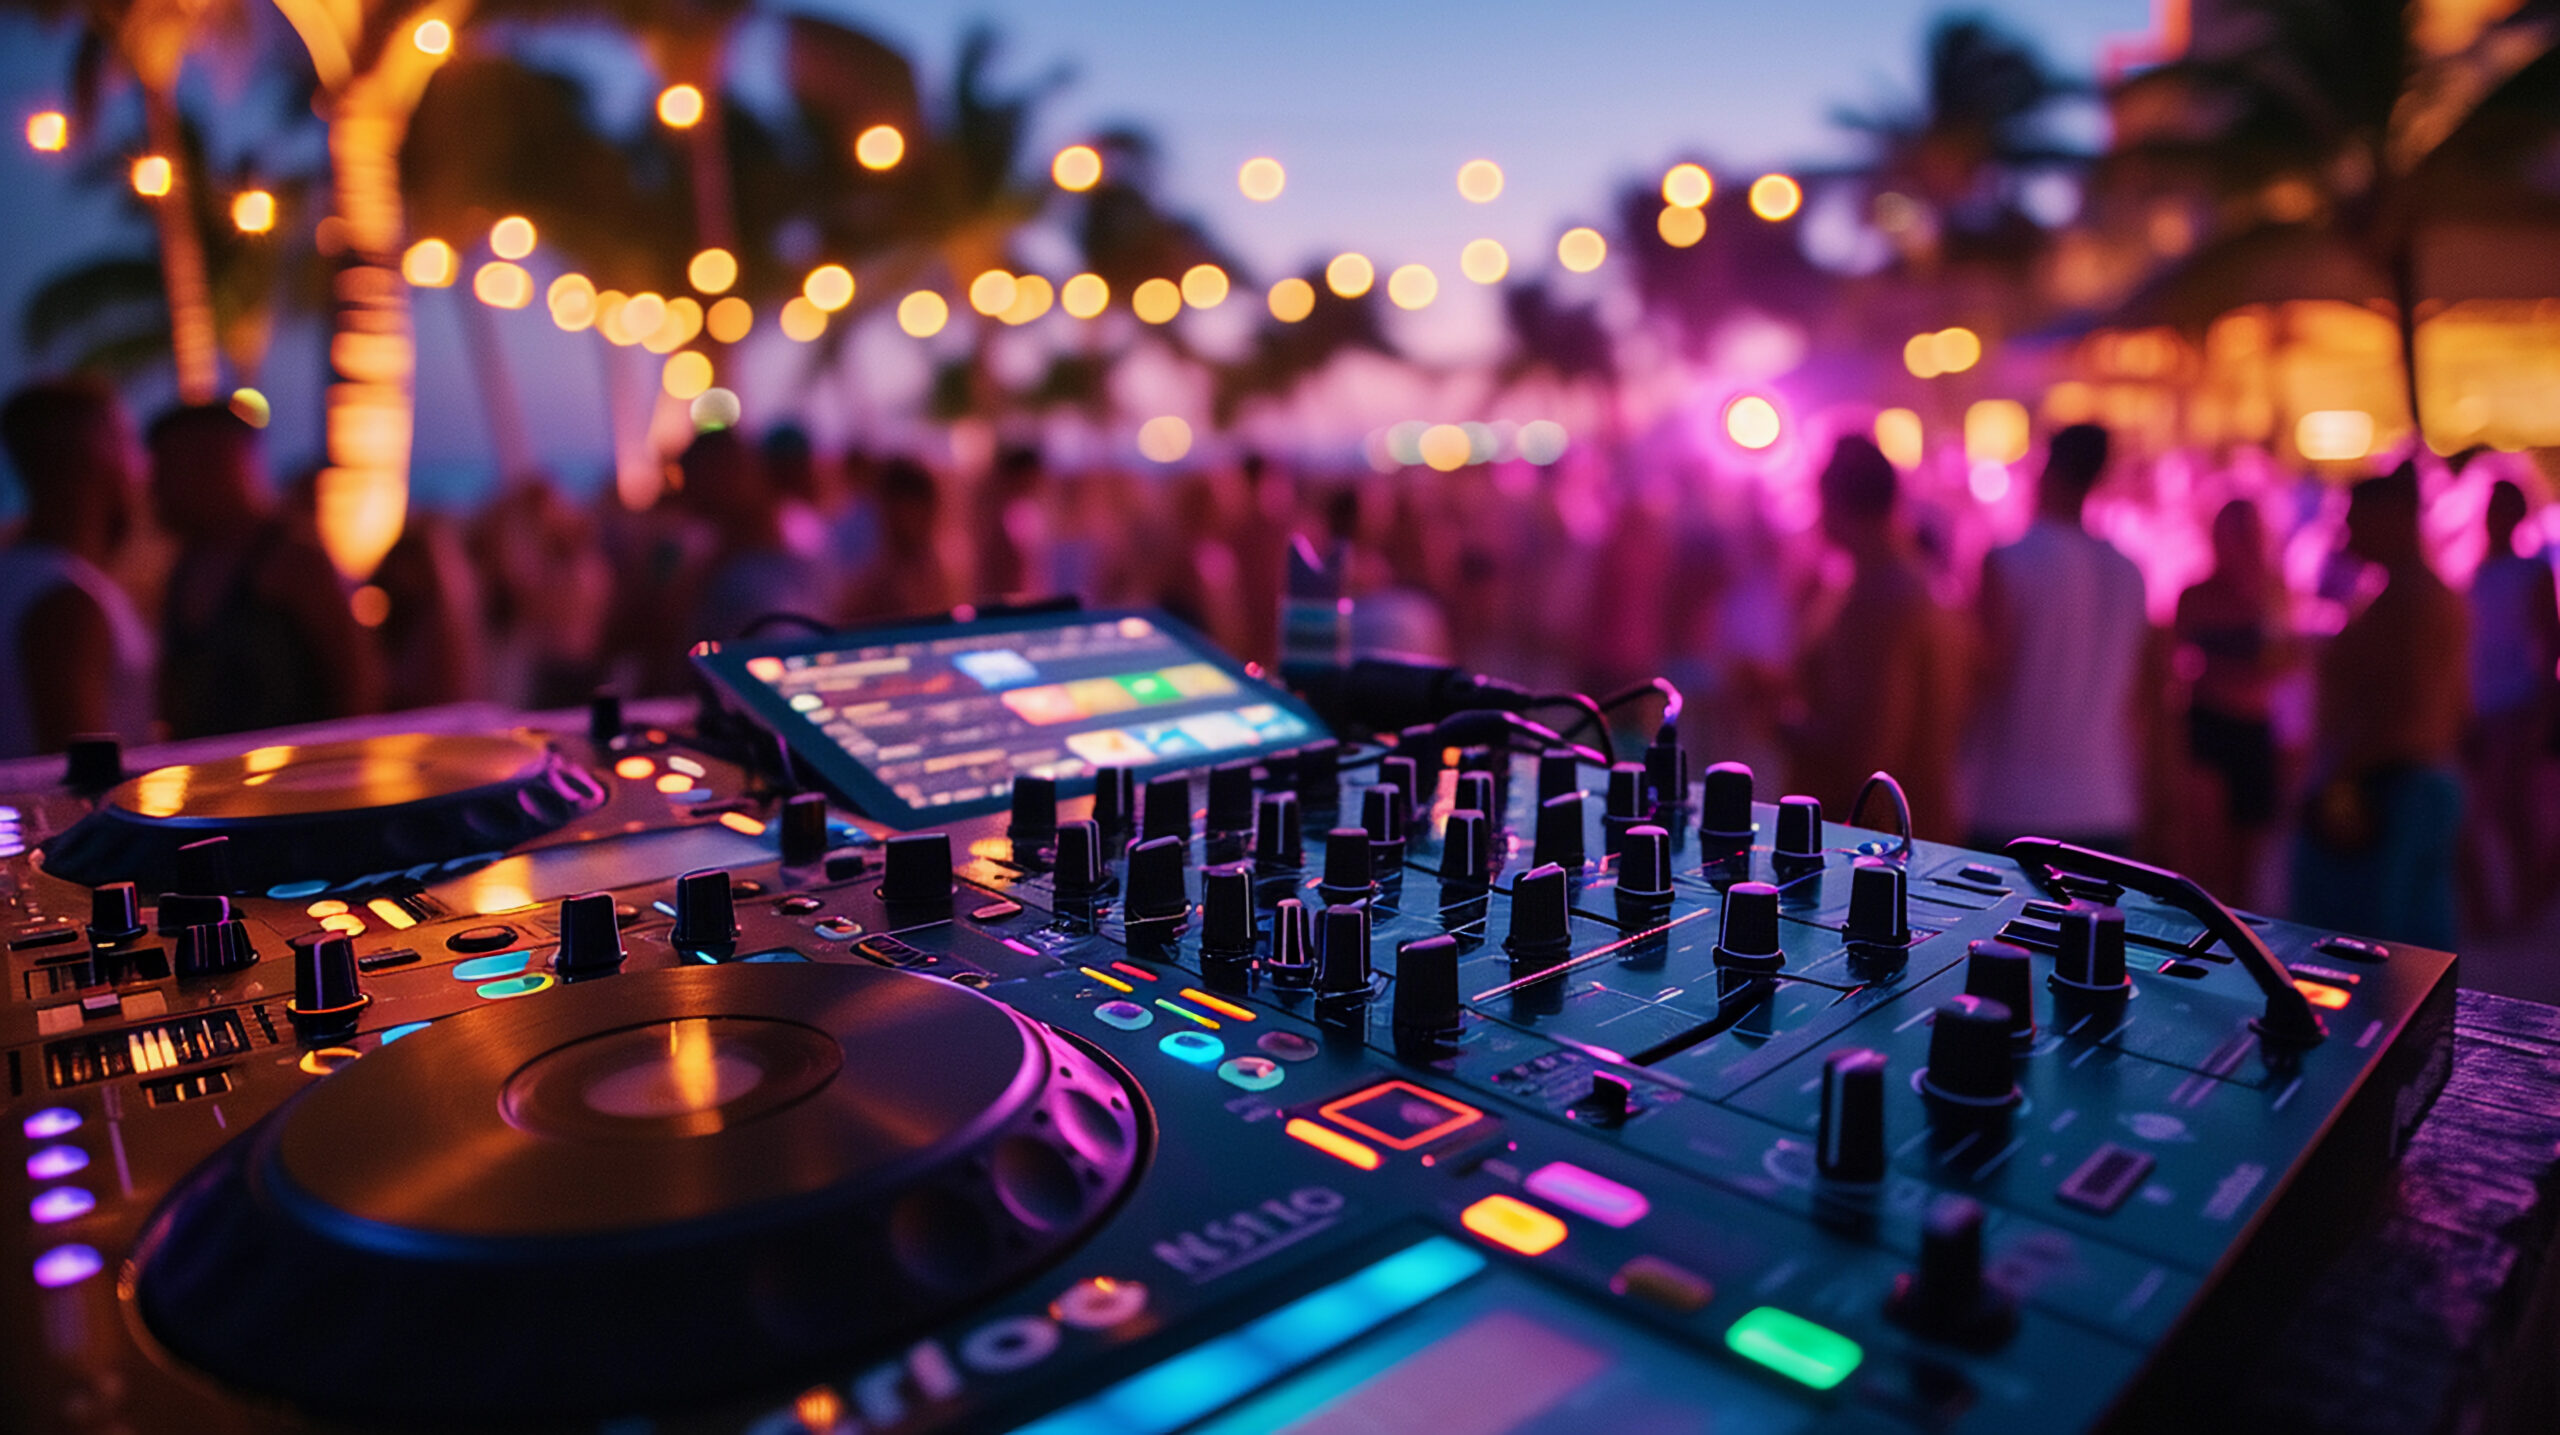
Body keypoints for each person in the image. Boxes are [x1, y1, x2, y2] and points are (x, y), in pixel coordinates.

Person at [2292, 464, 2470, 949]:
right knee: (2415, 949)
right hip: (2420, 781)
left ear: (2392, 517)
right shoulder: (2420, 595)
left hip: (2389, 787)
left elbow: (2395, 706)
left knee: (2375, 957)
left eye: (2356, 518)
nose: (2347, 532)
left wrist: (2336, 778)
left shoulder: (2408, 604)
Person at [1965, 422, 2153, 854]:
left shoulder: (2009, 561)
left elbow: (1982, 680)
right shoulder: (2129, 572)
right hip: (2106, 802)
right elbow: (2143, 698)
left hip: (2014, 804)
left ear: (2046, 470)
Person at [149, 403, 383, 737]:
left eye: (168, 471)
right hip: (212, 783)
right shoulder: (185, 568)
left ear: (217, 465)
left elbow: (357, 686)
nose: (155, 490)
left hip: (298, 781)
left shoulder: (294, 562)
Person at [1784, 435, 1968, 839]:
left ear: (1834, 502)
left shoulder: (1881, 594)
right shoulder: (1908, 578)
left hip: (1878, 843)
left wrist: (1777, 718)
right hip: (1912, 829)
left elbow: (1869, 752)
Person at [0, 379, 155, 756]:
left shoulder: (24, 575)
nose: (141, 467)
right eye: (126, 441)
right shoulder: (64, 598)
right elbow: (80, 771)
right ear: (97, 449)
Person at [2173, 498, 2295, 905]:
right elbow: (2168, 663)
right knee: (2207, 851)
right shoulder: (2196, 594)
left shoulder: (2273, 594)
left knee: (2248, 863)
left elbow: (2282, 664)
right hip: (2207, 723)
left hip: (2254, 727)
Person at [2463, 479, 2559, 929]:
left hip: (2516, 704)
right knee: (2504, 809)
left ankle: (2525, 904)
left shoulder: (2531, 572)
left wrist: (2543, 709)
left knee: (2507, 807)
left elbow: (2550, 641)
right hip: (2484, 706)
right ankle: (2518, 903)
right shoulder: (2477, 573)